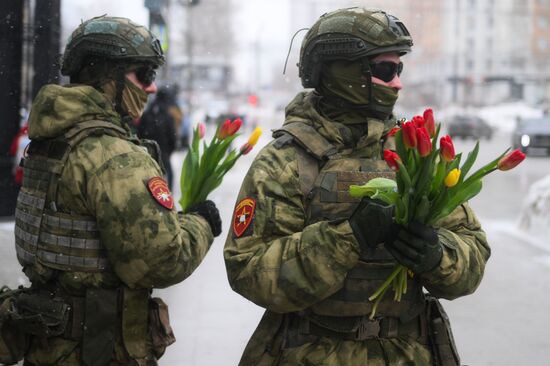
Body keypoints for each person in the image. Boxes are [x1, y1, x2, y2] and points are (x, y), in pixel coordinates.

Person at [224, 8, 490, 366]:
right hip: (311, 352)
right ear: (342, 72)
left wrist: (437, 255)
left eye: (399, 69)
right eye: (384, 70)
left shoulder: (414, 153)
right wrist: (350, 236)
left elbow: (472, 254)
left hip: (408, 354)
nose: (397, 83)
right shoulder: (287, 160)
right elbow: (250, 270)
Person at [5, 16, 222, 366]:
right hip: (99, 349)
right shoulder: (115, 157)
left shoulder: (49, 140)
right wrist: (199, 223)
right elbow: (160, 263)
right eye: (144, 75)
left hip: (47, 343)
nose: (151, 88)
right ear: (108, 77)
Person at [137, 85, 178, 189]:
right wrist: (169, 151)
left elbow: (139, 133)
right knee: (168, 174)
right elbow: (172, 136)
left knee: (147, 176)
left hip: (147, 150)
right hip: (163, 151)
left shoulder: (147, 113)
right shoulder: (168, 115)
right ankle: (168, 195)